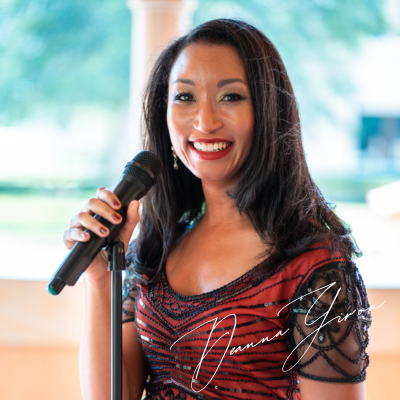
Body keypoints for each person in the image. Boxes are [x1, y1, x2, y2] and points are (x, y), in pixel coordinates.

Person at [64, 19, 371, 400]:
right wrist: (98, 280)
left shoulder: (313, 265)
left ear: (268, 112)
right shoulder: (158, 247)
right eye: (184, 97)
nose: (205, 122)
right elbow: (114, 394)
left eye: (230, 97)